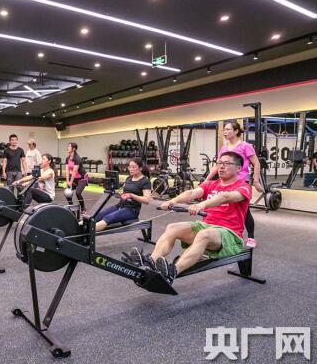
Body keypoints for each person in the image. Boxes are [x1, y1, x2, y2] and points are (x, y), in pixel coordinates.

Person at [128, 151, 251, 285]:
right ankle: (152, 260)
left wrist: (201, 205)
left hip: (230, 234)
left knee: (204, 234)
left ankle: (172, 272)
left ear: (238, 168)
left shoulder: (244, 187)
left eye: (227, 163)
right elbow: (192, 193)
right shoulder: (211, 184)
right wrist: (172, 201)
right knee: (172, 227)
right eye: (220, 163)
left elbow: (225, 197)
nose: (221, 167)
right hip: (207, 227)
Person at [204, 122, 262, 248]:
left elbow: (256, 163)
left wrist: (256, 181)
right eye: (224, 130)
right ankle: (226, 234)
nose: (225, 132)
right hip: (226, 182)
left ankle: (251, 237)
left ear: (236, 131)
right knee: (224, 208)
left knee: (245, 211)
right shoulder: (224, 148)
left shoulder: (245, 146)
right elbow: (217, 165)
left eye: (228, 129)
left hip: (241, 182)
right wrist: (206, 179)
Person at [94, 158, 151, 232]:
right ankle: (80, 229)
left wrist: (132, 195)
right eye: (130, 167)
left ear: (140, 168)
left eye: (133, 167)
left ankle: (87, 233)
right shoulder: (129, 178)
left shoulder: (145, 181)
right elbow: (124, 192)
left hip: (131, 210)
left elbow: (147, 200)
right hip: (119, 206)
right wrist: (119, 193)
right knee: (97, 216)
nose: (131, 169)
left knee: (108, 218)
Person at [64, 142, 88, 213]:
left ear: (74, 149)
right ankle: (71, 207)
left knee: (78, 193)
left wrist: (70, 182)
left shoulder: (77, 158)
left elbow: (74, 171)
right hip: (74, 178)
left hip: (82, 178)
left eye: (69, 146)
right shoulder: (67, 158)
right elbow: (67, 171)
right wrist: (67, 181)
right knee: (67, 192)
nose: (67, 148)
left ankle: (83, 209)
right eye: (68, 146)